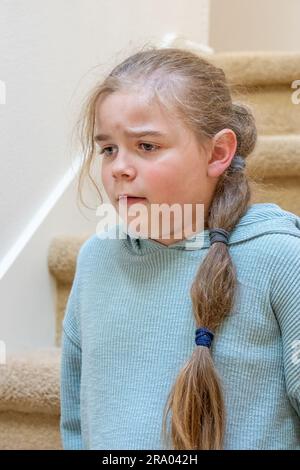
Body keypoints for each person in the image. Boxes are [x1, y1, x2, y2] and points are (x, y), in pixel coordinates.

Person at [60, 47, 300, 450]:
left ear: (218, 152)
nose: (119, 167)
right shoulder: (96, 258)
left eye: (147, 146)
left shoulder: (279, 259)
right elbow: (76, 420)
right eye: (108, 149)